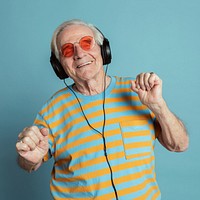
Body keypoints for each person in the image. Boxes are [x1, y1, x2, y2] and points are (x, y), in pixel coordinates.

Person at [16, 19, 189, 200]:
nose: (79, 54)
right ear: (59, 65)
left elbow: (179, 145)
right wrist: (29, 159)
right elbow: (28, 163)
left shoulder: (139, 92)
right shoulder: (52, 110)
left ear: (103, 50)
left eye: (86, 42)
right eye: (67, 49)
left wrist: (158, 106)